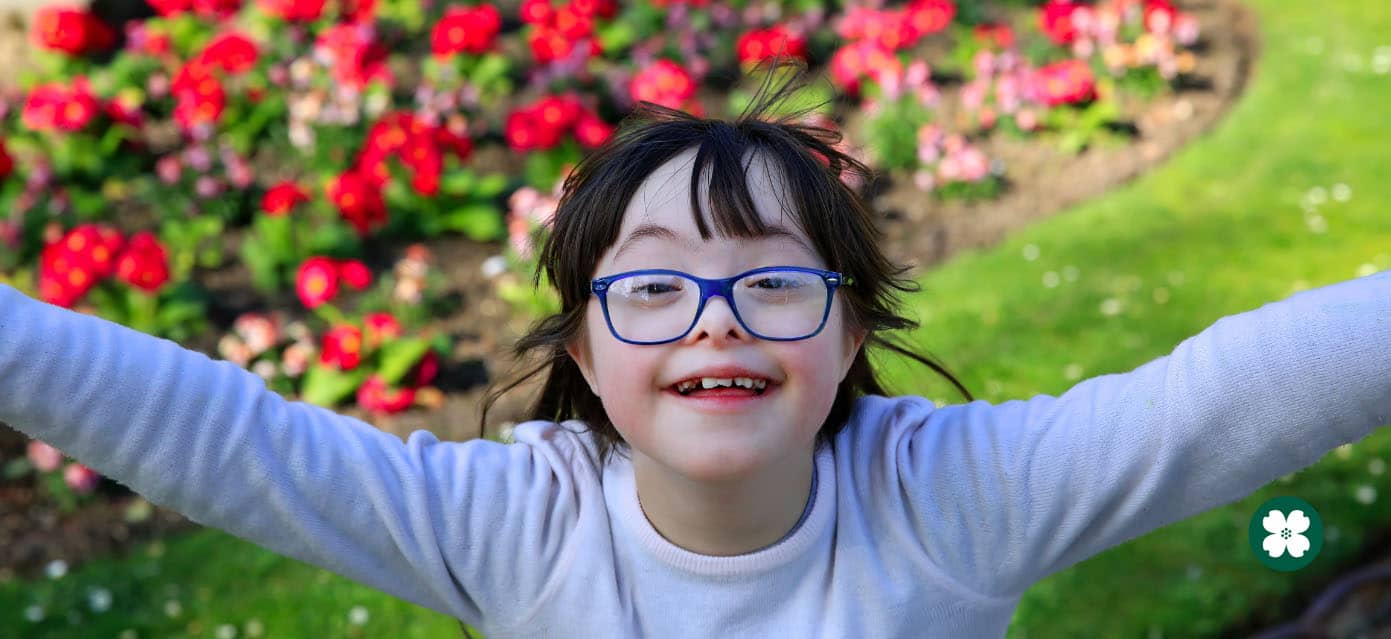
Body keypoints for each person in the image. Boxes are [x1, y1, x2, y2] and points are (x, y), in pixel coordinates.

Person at [1, 58, 1389, 639]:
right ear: (588, 358)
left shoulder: (954, 495)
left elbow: (1222, 399)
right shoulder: (515, 524)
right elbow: (220, 437)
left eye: (774, 284)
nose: (716, 319)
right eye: (652, 292)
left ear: (849, 337)